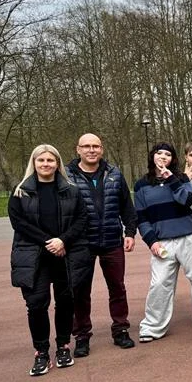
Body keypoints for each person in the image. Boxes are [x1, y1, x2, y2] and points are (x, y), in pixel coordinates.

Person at [9, 144, 92, 376]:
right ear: (33, 163)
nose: (46, 164)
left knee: (65, 302)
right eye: (41, 160)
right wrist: (49, 242)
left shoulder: (71, 190)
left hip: (65, 255)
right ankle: (41, 351)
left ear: (58, 163)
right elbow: (19, 224)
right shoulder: (20, 191)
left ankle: (63, 345)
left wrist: (63, 241)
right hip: (34, 257)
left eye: (50, 160)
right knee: (36, 304)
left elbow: (81, 219)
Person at [135, 142, 192, 342]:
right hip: (162, 242)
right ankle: (152, 327)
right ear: (153, 157)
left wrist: (172, 179)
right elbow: (141, 217)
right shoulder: (141, 185)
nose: (163, 157)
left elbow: (186, 200)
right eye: (159, 153)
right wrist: (151, 241)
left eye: (167, 154)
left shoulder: (181, 179)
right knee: (159, 284)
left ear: (172, 159)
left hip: (188, 237)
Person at [65, 133, 137, 356]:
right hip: (81, 244)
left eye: (95, 146)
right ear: (78, 150)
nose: (91, 150)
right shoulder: (66, 176)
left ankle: (120, 329)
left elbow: (127, 206)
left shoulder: (114, 174)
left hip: (111, 240)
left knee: (117, 287)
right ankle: (82, 336)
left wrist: (130, 232)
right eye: (86, 146)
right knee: (79, 291)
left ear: (102, 149)